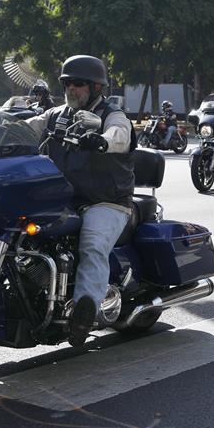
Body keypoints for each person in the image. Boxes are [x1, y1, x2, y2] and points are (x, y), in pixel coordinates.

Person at [24, 55, 136, 347]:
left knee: (92, 244)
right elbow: (27, 127)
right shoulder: (55, 115)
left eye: (79, 83)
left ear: (97, 87)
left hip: (106, 201)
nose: (71, 89)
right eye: (67, 83)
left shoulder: (112, 114)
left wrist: (102, 139)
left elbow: (120, 134)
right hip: (61, 199)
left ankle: (83, 312)